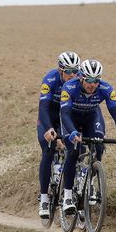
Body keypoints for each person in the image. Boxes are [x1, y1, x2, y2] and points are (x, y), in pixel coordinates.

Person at [59, 59, 116, 215]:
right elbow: (65, 114)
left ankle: (89, 183)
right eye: (89, 80)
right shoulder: (69, 87)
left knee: (98, 145)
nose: (92, 84)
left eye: (96, 81)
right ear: (81, 78)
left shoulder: (105, 88)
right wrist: (72, 132)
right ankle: (68, 196)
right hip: (71, 119)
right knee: (73, 151)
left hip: (92, 117)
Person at [36, 51, 81, 218]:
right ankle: (44, 199)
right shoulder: (51, 79)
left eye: (76, 71)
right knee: (48, 150)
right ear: (60, 70)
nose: (73, 75)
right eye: (69, 71)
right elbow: (43, 107)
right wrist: (48, 128)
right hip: (49, 117)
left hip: (66, 116)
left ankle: (75, 194)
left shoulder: (80, 79)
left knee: (76, 147)